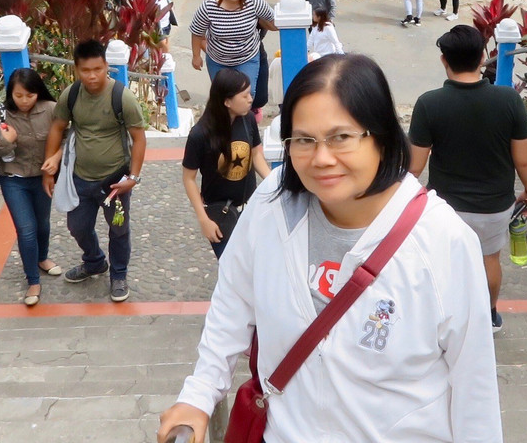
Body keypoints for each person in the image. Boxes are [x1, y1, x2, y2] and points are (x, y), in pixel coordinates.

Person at [157, 54, 501, 443]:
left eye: (341, 137)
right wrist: (199, 395)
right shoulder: (273, 204)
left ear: (383, 138)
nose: (321, 158)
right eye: (303, 140)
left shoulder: (444, 242)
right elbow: (232, 303)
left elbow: (476, 392)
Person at [408, 26, 527, 333]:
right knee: (489, 259)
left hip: (445, 207)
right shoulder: (509, 101)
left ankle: (445, 318)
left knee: (445, 261)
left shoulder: (429, 103)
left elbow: (414, 166)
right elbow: (523, 159)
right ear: (483, 58)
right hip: (495, 205)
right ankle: (489, 315)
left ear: (444, 60)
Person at [41, 40, 148, 303]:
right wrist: (48, 168)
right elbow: (57, 127)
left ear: (106, 66)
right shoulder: (72, 94)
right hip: (80, 177)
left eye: (97, 69)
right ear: (76, 69)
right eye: (85, 70)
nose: (92, 76)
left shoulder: (121, 96)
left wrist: (132, 178)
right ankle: (94, 261)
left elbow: (139, 137)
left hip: (115, 181)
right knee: (77, 226)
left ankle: (119, 275)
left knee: (119, 229)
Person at [0, 68, 63, 307]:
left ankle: (42, 258)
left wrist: (56, 158)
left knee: (42, 225)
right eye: (19, 96)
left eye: (30, 95)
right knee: (26, 230)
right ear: (11, 94)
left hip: (43, 178)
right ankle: (33, 280)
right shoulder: (1, 114)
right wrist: (5, 143)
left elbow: (67, 138)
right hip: (13, 179)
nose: (25, 101)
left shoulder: (51, 109)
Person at [181, 70, 269, 260]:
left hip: (249, 206)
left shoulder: (247, 120)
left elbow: (256, 154)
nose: (250, 99)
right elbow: (189, 178)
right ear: (227, 101)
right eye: (244, 95)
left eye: (250, 93)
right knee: (232, 267)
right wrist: (203, 219)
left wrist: (272, 183)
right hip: (220, 212)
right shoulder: (200, 134)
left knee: (254, 264)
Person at [189, 0, 277, 98]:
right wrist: (196, 56)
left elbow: (274, 20)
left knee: (246, 93)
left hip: (247, 57)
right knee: (222, 96)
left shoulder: (254, 2)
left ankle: (243, 118)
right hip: (217, 60)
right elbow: (197, 33)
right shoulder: (208, 7)